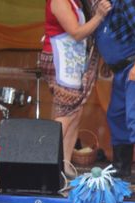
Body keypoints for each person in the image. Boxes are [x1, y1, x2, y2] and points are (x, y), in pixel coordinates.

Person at [41, 0, 112, 177]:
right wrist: (99, 16)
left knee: (75, 114)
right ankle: (47, 163)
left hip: (72, 61)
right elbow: (76, 33)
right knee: (65, 113)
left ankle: (64, 164)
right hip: (60, 60)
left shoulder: (77, 2)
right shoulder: (59, 1)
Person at [94, 0, 135, 184]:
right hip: (121, 68)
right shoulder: (106, 4)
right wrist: (109, 62)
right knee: (117, 114)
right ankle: (121, 165)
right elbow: (112, 34)